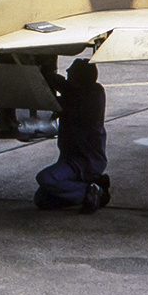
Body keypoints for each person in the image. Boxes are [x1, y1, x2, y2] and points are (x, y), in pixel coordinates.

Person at [34, 58, 110, 212]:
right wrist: (44, 72)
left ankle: (92, 192)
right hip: (75, 159)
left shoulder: (84, 99)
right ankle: (90, 189)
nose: (67, 72)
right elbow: (65, 85)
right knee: (42, 199)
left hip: (83, 163)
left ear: (79, 79)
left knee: (45, 178)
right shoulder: (91, 91)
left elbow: (57, 98)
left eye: (71, 72)